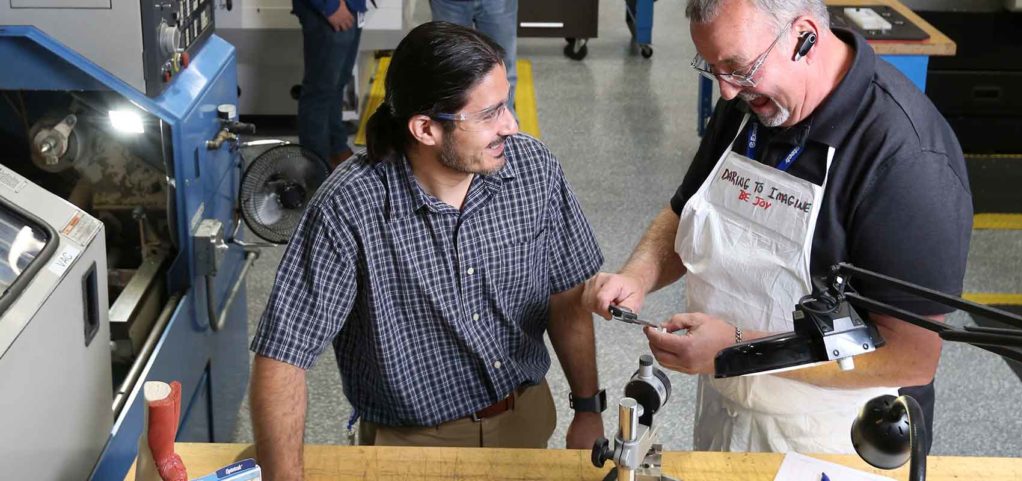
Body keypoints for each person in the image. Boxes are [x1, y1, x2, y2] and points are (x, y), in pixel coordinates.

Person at [583, 0, 971, 454]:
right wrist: (638, 275)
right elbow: (686, 210)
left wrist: (741, 351)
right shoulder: (754, 100)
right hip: (730, 402)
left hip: (840, 432)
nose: (726, 92)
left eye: (737, 68)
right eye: (712, 69)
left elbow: (911, 356)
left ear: (804, 35)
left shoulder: (905, 157)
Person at [250, 21, 606, 480]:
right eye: (490, 113)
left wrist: (588, 407)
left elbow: (566, 296)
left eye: (507, 104)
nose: (511, 126)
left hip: (526, 419)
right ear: (425, 129)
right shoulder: (351, 207)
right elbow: (283, 356)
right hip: (410, 448)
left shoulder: (533, 168)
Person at [293, 0, 367, 168]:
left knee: (337, 85)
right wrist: (330, 6)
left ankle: (337, 149)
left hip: (352, 7)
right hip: (330, 9)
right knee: (320, 92)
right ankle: (317, 168)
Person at [430, 0, 518, 113]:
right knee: (451, 67)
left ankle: (504, 122)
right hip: (449, 3)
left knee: (503, 67)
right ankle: (454, 123)